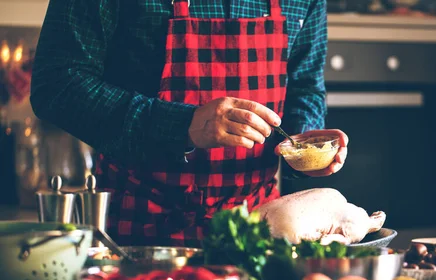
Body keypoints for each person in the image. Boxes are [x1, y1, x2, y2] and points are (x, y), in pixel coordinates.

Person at [30, 0, 347, 247]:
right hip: (137, 234)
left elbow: (304, 85)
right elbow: (57, 84)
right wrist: (182, 125)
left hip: (257, 233)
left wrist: (302, 144)